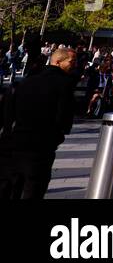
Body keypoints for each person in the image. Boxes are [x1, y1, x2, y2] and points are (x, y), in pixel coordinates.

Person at [0, 46, 77, 198]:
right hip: (40, 146)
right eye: (71, 61)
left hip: (16, 142)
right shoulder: (64, 84)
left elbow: (8, 112)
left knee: (12, 187)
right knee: (33, 188)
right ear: (57, 61)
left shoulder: (27, 81)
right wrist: (56, 137)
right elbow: (64, 118)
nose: (74, 65)